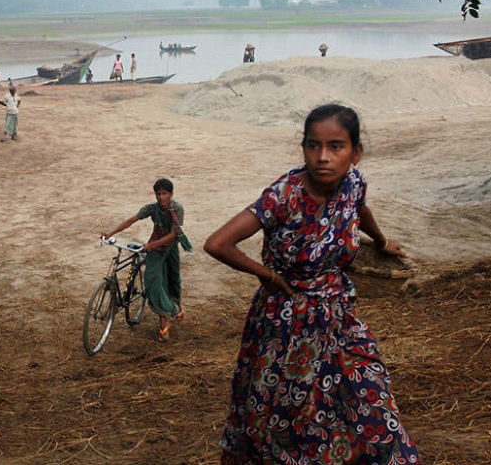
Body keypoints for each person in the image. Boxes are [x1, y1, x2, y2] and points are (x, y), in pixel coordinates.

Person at [203, 104, 419, 464]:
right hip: (284, 323)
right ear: (303, 148)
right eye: (312, 146)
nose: (323, 157)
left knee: (370, 399)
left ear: (356, 152)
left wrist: (381, 241)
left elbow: (359, 210)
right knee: (286, 420)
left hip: (339, 318)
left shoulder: (353, 184)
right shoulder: (283, 194)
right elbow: (217, 243)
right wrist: (268, 275)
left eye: (336, 146)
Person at [101, 178, 189, 342]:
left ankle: (176, 307)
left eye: (165, 194)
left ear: (171, 194)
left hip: (169, 247)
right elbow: (131, 220)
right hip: (155, 248)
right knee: (153, 282)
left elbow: (173, 234)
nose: (161, 197)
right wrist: (111, 233)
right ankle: (164, 322)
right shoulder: (152, 208)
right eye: (158, 194)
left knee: (173, 279)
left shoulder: (177, 208)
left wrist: (152, 244)